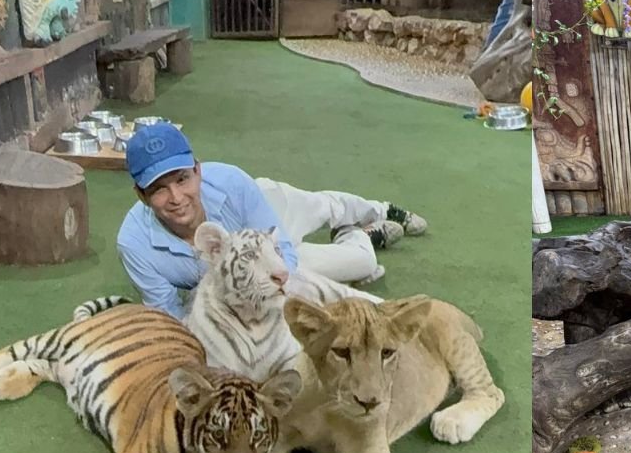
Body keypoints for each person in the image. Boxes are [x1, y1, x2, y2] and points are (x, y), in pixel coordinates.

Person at [116, 123, 426, 318]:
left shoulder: (233, 182)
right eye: (158, 189)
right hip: (258, 270)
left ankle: (379, 209)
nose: (175, 197)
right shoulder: (134, 244)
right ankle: (362, 236)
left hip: (272, 230)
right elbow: (169, 315)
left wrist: (268, 295)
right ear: (141, 195)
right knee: (362, 264)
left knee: (324, 206)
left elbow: (286, 254)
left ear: (198, 171)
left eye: (182, 179)